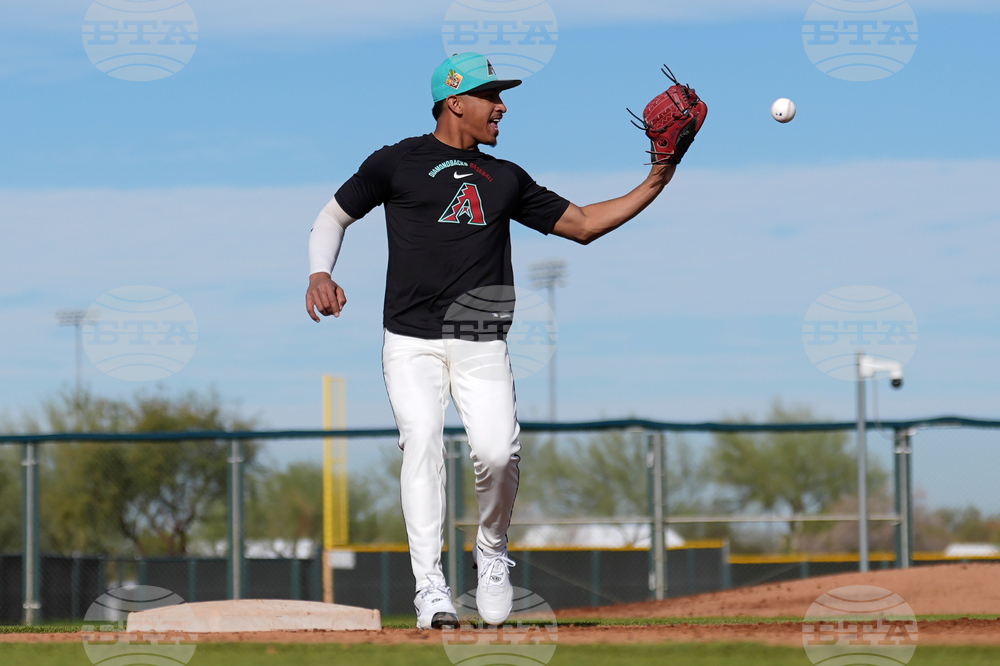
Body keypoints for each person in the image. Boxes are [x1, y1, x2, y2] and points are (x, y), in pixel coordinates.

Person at [306, 52, 676, 629]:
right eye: (491, 96)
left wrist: (658, 177)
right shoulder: (396, 162)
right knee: (423, 442)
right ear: (456, 101)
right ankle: (430, 587)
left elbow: (583, 225)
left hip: (482, 340)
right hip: (412, 340)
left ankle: (492, 551)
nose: (502, 106)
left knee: (498, 454)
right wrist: (320, 273)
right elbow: (333, 216)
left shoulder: (505, 178)